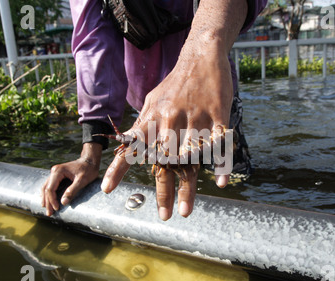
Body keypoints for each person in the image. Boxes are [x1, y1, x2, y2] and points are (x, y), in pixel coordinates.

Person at [41, 0, 268, 220]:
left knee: (234, 175)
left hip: (213, 96)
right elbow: (94, 39)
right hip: (151, 115)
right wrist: (90, 155)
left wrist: (206, 44)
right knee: (181, 178)